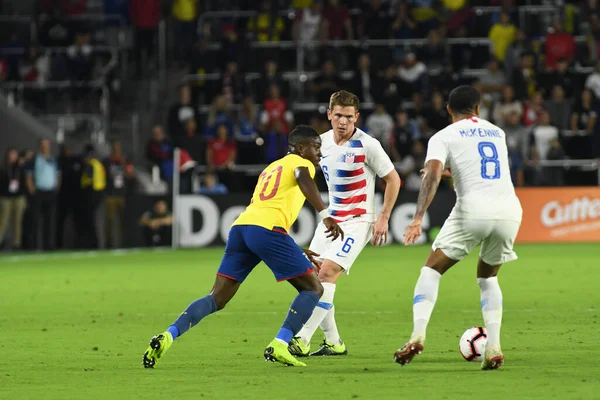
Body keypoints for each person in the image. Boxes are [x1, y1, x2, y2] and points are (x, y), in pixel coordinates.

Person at [142, 125, 344, 369]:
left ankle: (168, 335)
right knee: (313, 288)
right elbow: (302, 179)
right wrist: (326, 215)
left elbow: (267, 210)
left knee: (216, 297)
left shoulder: (272, 168)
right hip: (267, 230)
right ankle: (281, 343)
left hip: (242, 228)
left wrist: (293, 247)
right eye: (316, 147)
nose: (319, 153)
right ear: (301, 148)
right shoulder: (302, 165)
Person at [394, 85, 522, 370]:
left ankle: (417, 334)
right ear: (478, 109)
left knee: (431, 269)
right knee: (488, 278)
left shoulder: (443, 135)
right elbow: (484, 166)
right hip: (509, 210)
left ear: (449, 110)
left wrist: (417, 218)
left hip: (473, 210)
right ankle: (494, 346)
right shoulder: (496, 131)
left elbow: (432, 175)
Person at [288, 91, 401, 357]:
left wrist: (383, 217)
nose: (343, 122)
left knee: (327, 274)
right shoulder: (320, 144)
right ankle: (334, 342)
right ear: (329, 114)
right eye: (338, 115)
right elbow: (301, 174)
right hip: (330, 221)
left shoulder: (368, 145)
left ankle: (302, 339)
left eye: (349, 117)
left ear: (356, 118)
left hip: (359, 221)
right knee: (313, 279)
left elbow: (393, 180)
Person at [0, 148, 27, 250]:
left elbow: (24, 182)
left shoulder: (19, 168)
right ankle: (1, 240)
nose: (13, 156)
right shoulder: (3, 168)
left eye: (15, 154)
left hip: (18, 197)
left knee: (17, 221)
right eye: (11, 154)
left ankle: (17, 244)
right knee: (3, 220)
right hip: (5, 197)